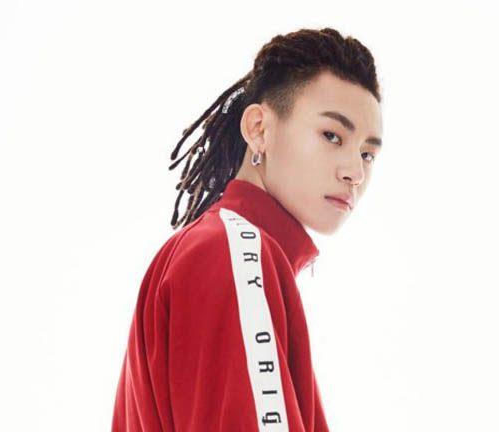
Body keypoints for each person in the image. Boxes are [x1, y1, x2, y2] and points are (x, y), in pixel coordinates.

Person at [111, 26, 383, 431]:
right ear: (259, 129)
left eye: (367, 154)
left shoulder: (218, 249)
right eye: (332, 135)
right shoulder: (231, 255)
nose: (355, 172)